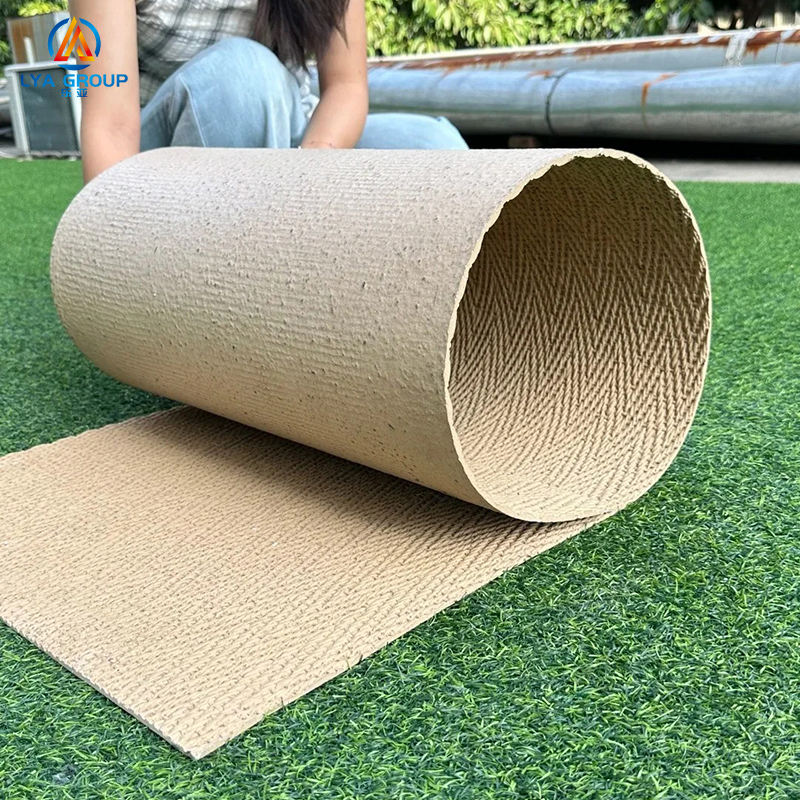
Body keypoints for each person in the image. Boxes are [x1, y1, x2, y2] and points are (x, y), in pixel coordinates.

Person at [71, 0, 468, 183]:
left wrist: (310, 168)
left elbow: (346, 87)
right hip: (162, 155)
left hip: (293, 136)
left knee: (436, 148)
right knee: (242, 75)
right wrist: (104, 245)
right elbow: (110, 125)